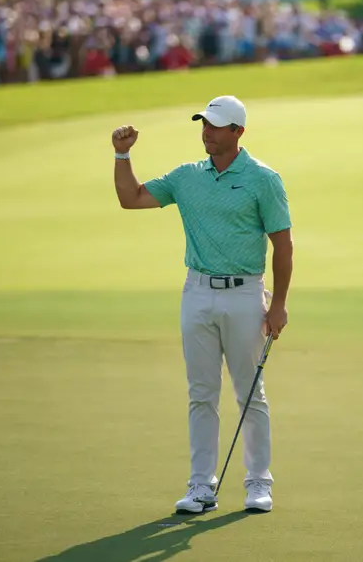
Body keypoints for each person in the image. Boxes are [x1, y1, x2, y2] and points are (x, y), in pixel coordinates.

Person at [111, 96, 293, 514]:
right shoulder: (187, 176)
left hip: (246, 294)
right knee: (201, 393)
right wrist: (122, 155)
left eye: (216, 126)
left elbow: (282, 243)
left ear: (238, 132)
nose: (207, 132)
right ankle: (200, 486)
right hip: (196, 293)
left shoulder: (263, 179)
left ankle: (258, 482)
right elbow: (131, 198)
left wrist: (278, 303)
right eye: (204, 124)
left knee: (250, 393)